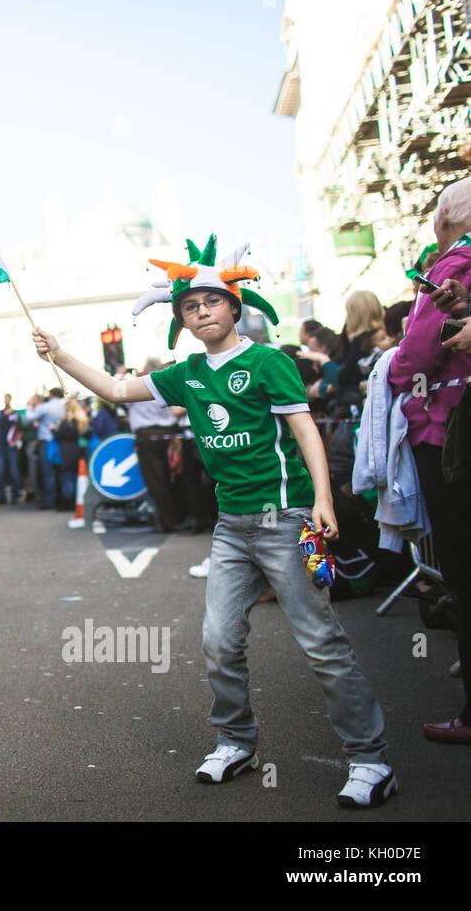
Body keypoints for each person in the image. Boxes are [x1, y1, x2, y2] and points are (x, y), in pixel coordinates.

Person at [33, 236, 395, 807]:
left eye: (210, 303)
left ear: (233, 306)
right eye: (189, 308)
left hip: (286, 520)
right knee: (219, 641)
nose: (201, 313)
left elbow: (305, 431)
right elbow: (116, 389)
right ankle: (237, 743)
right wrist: (60, 354)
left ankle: (370, 760)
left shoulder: (267, 360)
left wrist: (323, 499)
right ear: (181, 320)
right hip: (231, 528)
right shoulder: (187, 373)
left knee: (321, 645)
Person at [388, 177, 471, 744]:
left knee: (463, 566)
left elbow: (415, 353)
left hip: (448, 432)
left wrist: (395, 372)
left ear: (443, 218)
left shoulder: (451, 263)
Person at [127, 359, 184, 533]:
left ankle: (167, 522)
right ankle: (178, 518)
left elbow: (118, 396)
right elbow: (178, 408)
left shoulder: (139, 386)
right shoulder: (166, 384)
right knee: (174, 477)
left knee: (156, 481)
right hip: (169, 434)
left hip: (148, 438)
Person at [29, 389, 66, 508]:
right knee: (59, 471)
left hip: (46, 441)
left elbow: (29, 418)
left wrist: (30, 405)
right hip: (60, 441)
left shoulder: (45, 407)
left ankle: (50, 500)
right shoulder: (63, 406)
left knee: (48, 472)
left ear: (51, 395)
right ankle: (61, 499)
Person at [52, 398, 89, 511]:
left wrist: (54, 430)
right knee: (75, 478)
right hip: (78, 451)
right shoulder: (82, 422)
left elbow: (58, 436)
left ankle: (68, 503)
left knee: (67, 478)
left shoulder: (66, 423)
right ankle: (76, 501)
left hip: (66, 452)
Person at [0, 393, 21, 504]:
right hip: (0, 446)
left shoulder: (15, 414)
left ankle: (15, 496)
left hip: (11, 446)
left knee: (14, 472)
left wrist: (16, 441)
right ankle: (1, 497)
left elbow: (20, 429)